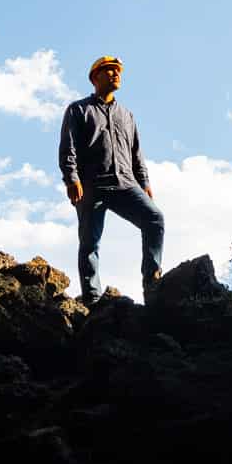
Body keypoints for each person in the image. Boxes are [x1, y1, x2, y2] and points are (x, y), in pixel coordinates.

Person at [57, 54, 164, 305]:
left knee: (155, 218)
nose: (116, 74)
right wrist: (71, 178)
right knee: (90, 243)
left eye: (118, 71)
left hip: (125, 184)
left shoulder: (127, 115)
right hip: (90, 186)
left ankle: (152, 282)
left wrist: (144, 183)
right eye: (109, 70)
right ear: (95, 77)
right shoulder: (78, 109)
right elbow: (67, 147)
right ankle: (92, 299)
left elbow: (136, 152)